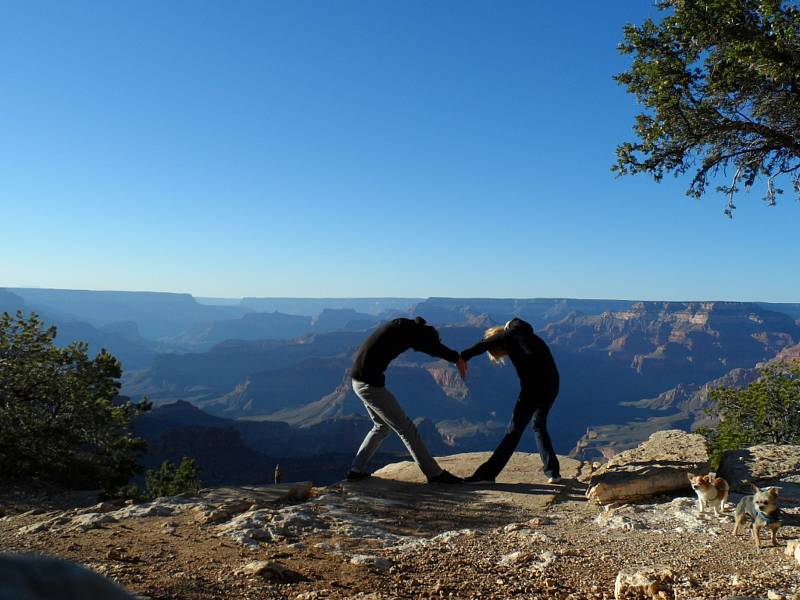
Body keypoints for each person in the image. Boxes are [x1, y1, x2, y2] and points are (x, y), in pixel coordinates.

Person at [347, 317, 468, 484]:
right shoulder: (409, 332)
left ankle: (355, 470)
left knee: (381, 427)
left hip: (359, 381)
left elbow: (424, 344)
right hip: (369, 385)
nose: (415, 350)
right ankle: (435, 474)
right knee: (407, 429)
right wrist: (456, 358)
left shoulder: (402, 326)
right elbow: (430, 347)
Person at [459, 318, 561, 484]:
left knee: (513, 432)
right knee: (538, 426)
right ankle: (553, 472)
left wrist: (462, 357)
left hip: (533, 390)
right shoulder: (527, 336)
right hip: (552, 386)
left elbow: (485, 343)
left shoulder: (511, 334)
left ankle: (486, 475)